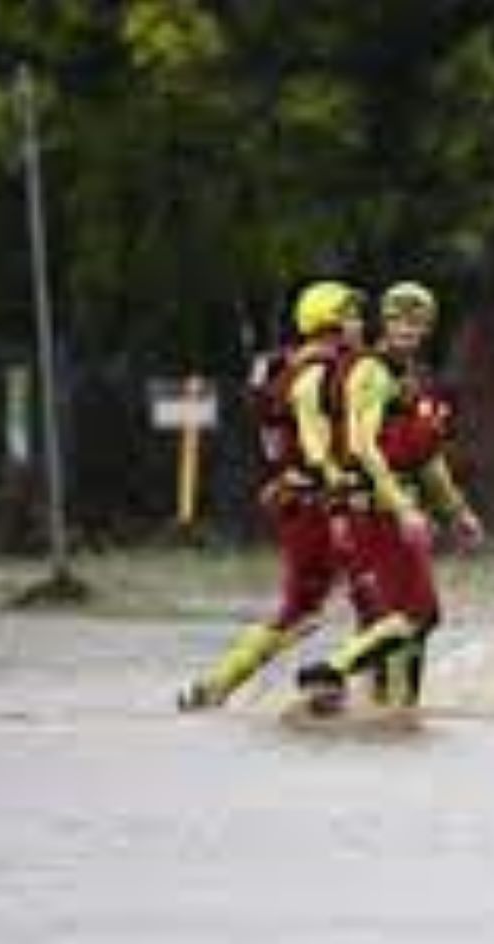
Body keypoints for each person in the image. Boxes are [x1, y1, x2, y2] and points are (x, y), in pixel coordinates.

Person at [295, 281, 482, 714]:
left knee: (404, 625)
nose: (406, 328)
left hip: (399, 511)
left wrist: (457, 511)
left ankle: (396, 711)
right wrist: (401, 507)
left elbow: (427, 458)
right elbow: (363, 445)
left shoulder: (411, 380)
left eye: (416, 320)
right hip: (374, 513)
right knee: (421, 614)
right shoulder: (371, 371)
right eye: (397, 318)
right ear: (384, 321)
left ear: (428, 327)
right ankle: (330, 669)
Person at [177, 280, 364, 710]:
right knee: (378, 601)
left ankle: (215, 686)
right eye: (351, 316)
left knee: (303, 609)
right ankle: (353, 692)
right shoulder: (327, 371)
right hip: (325, 501)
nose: (360, 325)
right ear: (328, 323)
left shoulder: (281, 369)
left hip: (295, 500)